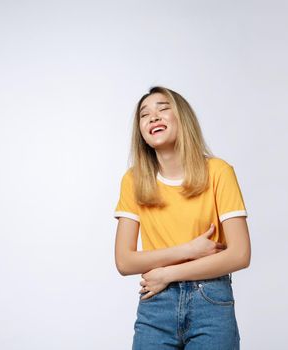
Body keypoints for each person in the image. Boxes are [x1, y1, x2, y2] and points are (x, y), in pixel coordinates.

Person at [113, 86, 251, 349]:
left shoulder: (218, 172)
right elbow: (124, 261)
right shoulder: (134, 181)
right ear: (140, 131)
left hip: (210, 301)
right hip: (156, 304)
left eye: (163, 109)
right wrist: (190, 249)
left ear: (182, 118)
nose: (153, 117)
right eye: (145, 114)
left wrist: (168, 274)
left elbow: (240, 254)